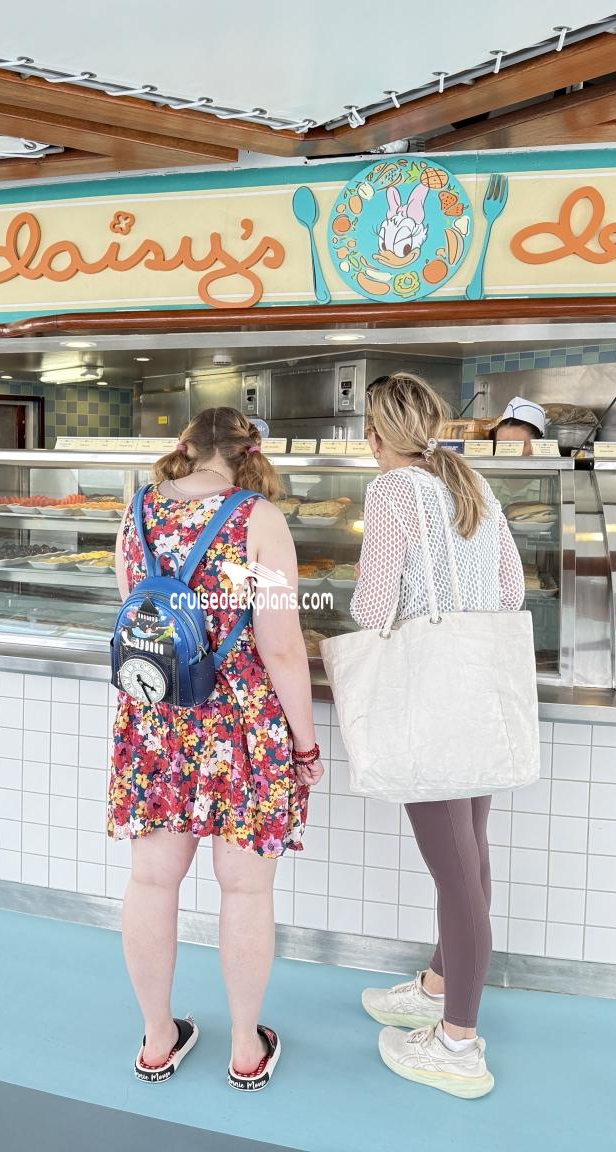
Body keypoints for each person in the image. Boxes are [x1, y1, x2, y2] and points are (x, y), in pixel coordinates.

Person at [109, 406, 322, 1090]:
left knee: (151, 880)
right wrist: (305, 744)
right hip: (242, 720)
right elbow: (281, 646)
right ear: (248, 454)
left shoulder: (136, 513)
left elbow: (137, 613)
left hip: (158, 717)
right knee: (246, 888)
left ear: (185, 445)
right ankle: (245, 1049)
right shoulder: (259, 519)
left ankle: (157, 1037)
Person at [349, 373, 525, 1100]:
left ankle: (457, 1042)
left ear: (376, 435)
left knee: (454, 873)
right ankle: (435, 987)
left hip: (429, 695)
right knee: (471, 855)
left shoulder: (392, 490)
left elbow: (372, 607)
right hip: (477, 687)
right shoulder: (471, 482)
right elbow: (511, 591)